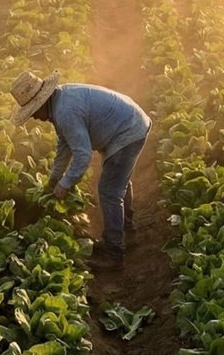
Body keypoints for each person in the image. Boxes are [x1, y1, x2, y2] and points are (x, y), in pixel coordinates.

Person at [11, 70, 149, 270]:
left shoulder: (64, 111)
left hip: (128, 132)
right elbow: (65, 146)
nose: (34, 118)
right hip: (132, 122)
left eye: (33, 112)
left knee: (109, 191)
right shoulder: (61, 100)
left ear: (41, 103)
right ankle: (127, 230)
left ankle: (114, 252)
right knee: (119, 182)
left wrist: (65, 185)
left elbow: (83, 155)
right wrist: (54, 179)